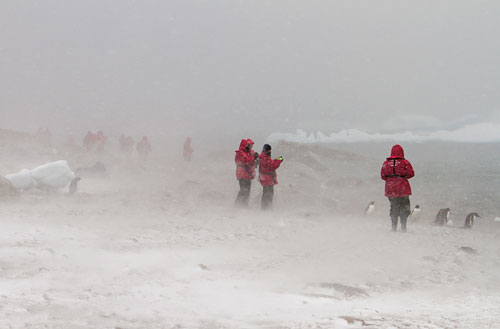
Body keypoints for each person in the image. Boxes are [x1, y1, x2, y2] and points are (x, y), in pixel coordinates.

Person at [380, 144, 415, 232]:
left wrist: (390, 180)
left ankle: (393, 227)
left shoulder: (386, 163)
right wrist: (402, 178)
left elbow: (383, 175)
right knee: (405, 207)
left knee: (394, 206)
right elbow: (411, 174)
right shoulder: (405, 162)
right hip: (403, 188)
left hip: (390, 188)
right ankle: (403, 227)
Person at [258, 144, 283, 210]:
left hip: (264, 178)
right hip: (267, 179)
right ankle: (267, 209)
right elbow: (273, 166)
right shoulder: (265, 158)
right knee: (269, 194)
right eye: (270, 150)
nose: (271, 151)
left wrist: (277, 159)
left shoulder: (263, 157)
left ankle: (264, 208)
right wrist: (279, 160)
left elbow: (270, 162)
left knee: (265, 193)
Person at [234, 139, 258, 207]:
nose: (252, 147)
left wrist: (256, 159)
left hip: (247, 174)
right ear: (246, 145)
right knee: (244, 191)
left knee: (246, 191)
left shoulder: (249, 152)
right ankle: (238, 206)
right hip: (243, 174)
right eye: (251, 145)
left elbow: (251, 161)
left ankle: (243, 205)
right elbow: (246, 161)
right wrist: (254, 156)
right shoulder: (240, 153)